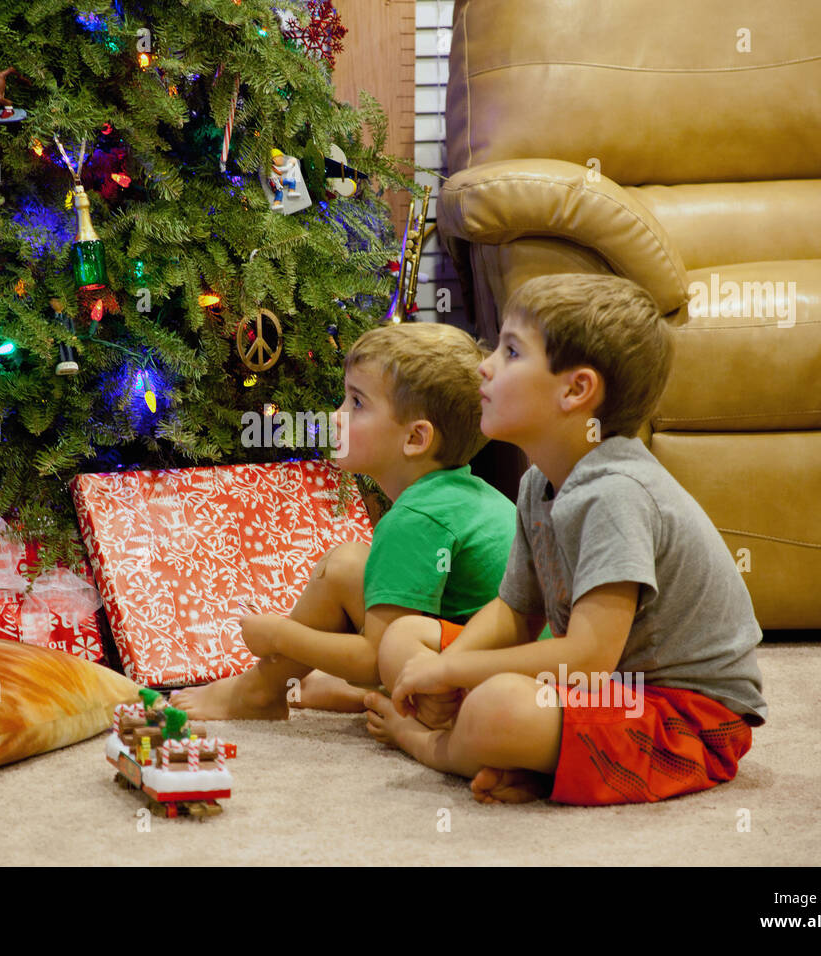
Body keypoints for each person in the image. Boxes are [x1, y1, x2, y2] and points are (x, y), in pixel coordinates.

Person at [365, 274, 767, 805]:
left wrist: (453, 672)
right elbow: (515, 613)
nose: (484, 366)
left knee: (498, 708)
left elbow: (585, 660)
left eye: (511, 352)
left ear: (576, 390)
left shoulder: (615, 494)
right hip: (601, 693)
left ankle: (431, 744)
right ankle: (537, 760)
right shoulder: (538, 482)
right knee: (404, 638)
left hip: (684, 718)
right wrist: (445, 670)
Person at [172, 322, 517, 720]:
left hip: (479, 699)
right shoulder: (456, 496)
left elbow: (378, 657)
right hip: (486, 670)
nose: (336, 416)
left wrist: (279, 636)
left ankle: (258, 691)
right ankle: (303, 689)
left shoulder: (416, 518)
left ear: (416, 439)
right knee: (349, 566)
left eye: (357, 403)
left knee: (343, 569)